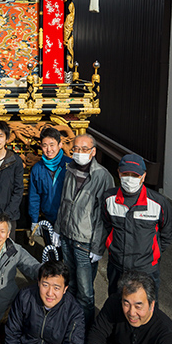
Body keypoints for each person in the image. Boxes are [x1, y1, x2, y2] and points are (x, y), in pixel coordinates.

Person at [53, 134, 113, 326]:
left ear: (93, 151)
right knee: (69, 286)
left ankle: (86, 331)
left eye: (84, 149)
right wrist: (57, 229)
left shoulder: (103, 177)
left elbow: (104, 217)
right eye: (76, 149)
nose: (79, 153)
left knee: (85, 293)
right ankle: (70, 324)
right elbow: (64, 202)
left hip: (85, 243)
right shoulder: (70, 169)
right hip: (67, 237)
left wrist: (97, 248)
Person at [102, 154, 172, 298]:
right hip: (117, 266)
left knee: (147, 310)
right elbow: (106, 225)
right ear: (119, 173)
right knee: (116, 304)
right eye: (125, 174)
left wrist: (154, 252)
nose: (129, 178)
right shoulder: (109, 198)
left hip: (146, 269)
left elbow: (167, 233)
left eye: (134, 175)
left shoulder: (158, 203)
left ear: (143, 176)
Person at [28, 126, 71, 237]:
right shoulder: (38, 168)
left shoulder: (70, 165)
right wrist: (34, 220)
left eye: (52, 145)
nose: (48, 150)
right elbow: (34, 196)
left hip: (68, 220)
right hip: (47, 220)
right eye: (45, 146)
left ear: (60, 145)